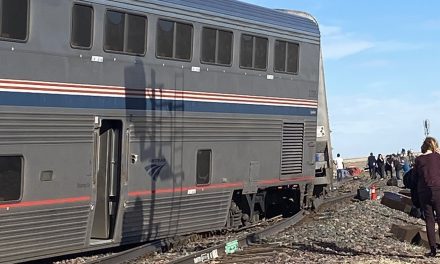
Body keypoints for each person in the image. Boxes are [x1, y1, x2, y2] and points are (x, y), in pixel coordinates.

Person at [414, 137, 440, 257]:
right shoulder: (438, 157)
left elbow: (415, 177)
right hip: (438, 190)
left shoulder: (419, 159)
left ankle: (433, 250)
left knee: (429, 220)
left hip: (424, 192)